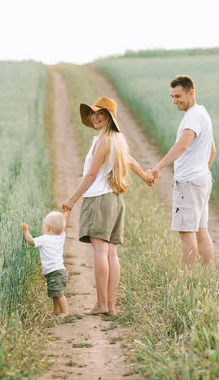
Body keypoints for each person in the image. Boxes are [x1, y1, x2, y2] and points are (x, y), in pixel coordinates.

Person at [62, 96, 153, 316]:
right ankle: (110, 305)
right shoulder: (118, 140)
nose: (95, 117)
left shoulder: (103, 141)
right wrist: (146, 176)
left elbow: (92, 174)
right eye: (94, 113)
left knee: (101, 252)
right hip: (115, 199)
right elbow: (130, 162)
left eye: (100, 113)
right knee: (112, 253)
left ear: (110, 118)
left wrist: (72, 200)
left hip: (99, 199)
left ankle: (102, 304)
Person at [147, 75, 216, 268]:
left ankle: (187, 278)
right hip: (202, 179)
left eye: (178, 96)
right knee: (201, 230)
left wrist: (158, 167)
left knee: (186, 233)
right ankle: (207, 276)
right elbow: (213, 150)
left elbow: (183, 145)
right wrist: (201, 171)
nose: (174, 101)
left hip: (189, 182)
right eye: (172, 96)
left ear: (191, 92)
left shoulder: (193, 116)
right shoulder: (203, 113)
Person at [21, 210, 71, 318]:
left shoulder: (44, 239)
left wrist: (25, 231)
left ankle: (65, 312)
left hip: (55, 272)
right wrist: (66, 214)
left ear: (47, 227)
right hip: (59, 271)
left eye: (43, 226)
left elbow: (30, 241)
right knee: (54, 292)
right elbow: (64, 225)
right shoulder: (60, 237)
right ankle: (56, 310)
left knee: (58, 293)